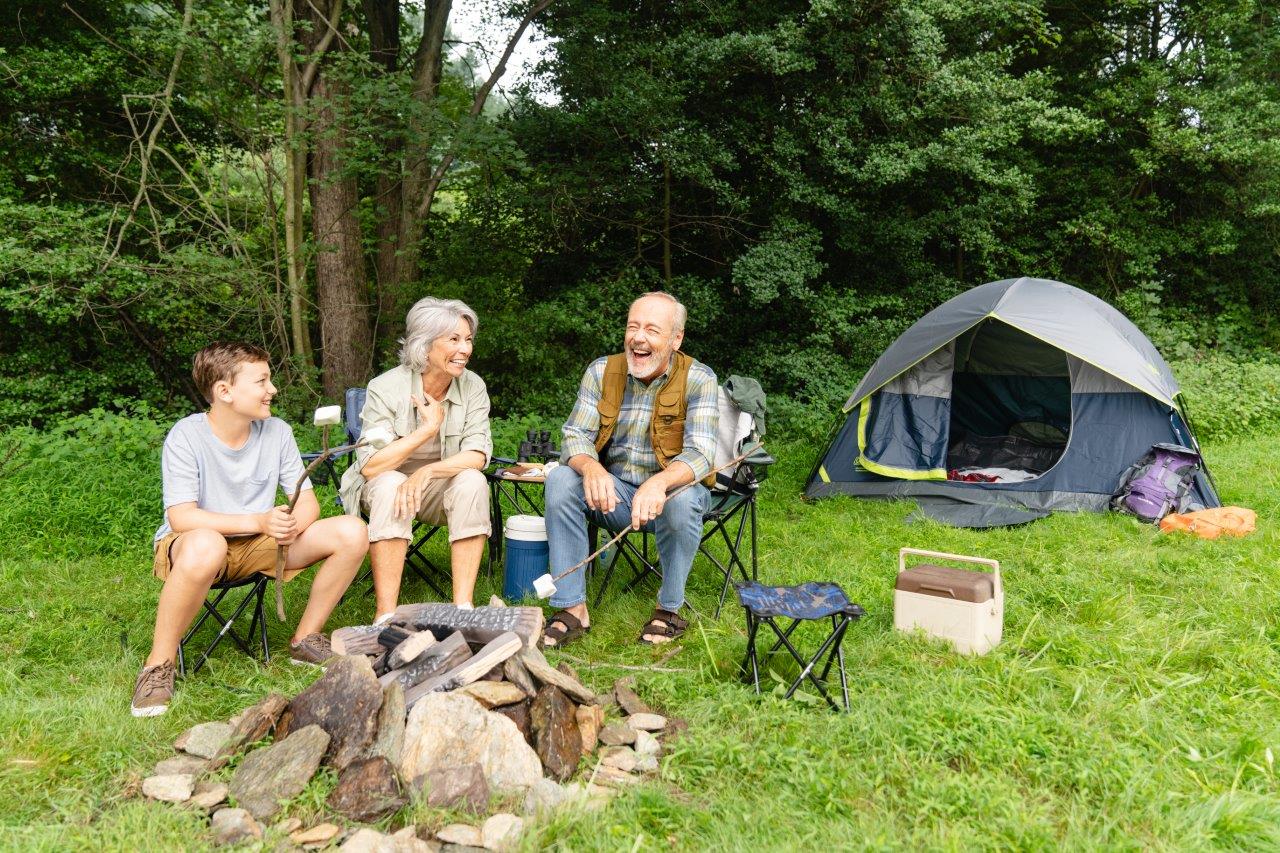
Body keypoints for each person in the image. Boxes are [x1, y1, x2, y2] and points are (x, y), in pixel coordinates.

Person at [132, 342, 368, 718]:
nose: (272, 390)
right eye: (261, 381)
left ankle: (306, 639)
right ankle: (158, 665)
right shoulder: (186, 435)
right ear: (224, 391)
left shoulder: (277, 432)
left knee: (352, 531)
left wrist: (290, 524)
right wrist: (257, 521)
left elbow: (306, 502)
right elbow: (182, 517)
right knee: (207, 544)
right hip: (194, 546)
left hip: (260, 544)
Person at [542, 291, 719, 646]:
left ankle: (668, 610)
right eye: (632, 327)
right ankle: (571, 608)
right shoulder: (601, 371)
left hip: (673, 494)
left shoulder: (699, 378)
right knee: (562, 478)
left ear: (675, 339)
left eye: (652, 330)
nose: (638, 337)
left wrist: (661, 483)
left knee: (682, 500)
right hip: (614, 496)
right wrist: (591, 468)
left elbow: (701, 454)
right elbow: (575, 435)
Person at [339, 297, 492, 621]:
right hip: (384, 487)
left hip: (437, 487)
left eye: (468, 339)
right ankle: (386, 616)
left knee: (472, 481)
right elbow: (371, 465)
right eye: (454, 339)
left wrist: (427, 473)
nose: (465, 349)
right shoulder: (385, 387)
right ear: (424, 346)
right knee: (393, 483)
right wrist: (427, 429)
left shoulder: (473, 386)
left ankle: (463, 610)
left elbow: (477, 454)